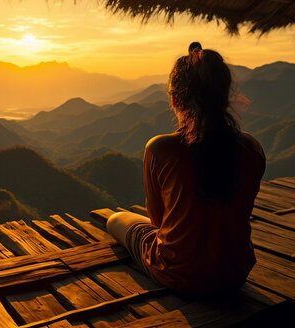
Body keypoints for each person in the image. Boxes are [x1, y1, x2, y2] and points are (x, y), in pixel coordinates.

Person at [106, 42, 266, 294]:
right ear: (224, 96)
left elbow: (158, 221)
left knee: (116, 219)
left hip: (178, 272)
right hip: (235, 271)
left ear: (174, 98)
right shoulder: (252, 148)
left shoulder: (161, 149)